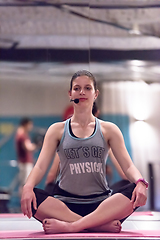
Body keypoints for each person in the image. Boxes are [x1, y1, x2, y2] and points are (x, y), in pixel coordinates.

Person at [21, 70, 148, 234]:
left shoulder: (109, 129)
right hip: (64, 204)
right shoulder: (57, 130)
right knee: (33, 197)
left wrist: (140, 182)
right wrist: (27, 187)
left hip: (101, 204)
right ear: (70, 93)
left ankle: (73, 226)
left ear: (96, 94)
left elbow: (128, 166)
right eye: (77, 88)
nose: (82, 92)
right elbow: (39, 167)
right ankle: (97, 226)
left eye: (88, 88)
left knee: (134, 192)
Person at [15, 117, 37, 196]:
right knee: (26, 184)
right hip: (25, 163)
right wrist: (38, 145)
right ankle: (25, 204)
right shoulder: (22, 135)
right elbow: (28, 148)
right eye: (30, 124)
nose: (31, 126)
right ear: (25, 124)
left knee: (24, 184)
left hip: (24, 163)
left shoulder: (20, 134)